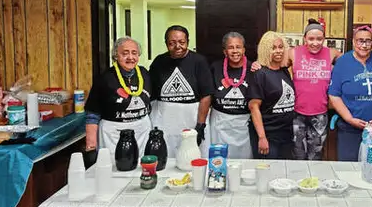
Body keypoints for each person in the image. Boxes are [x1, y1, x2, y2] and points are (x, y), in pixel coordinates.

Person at [252, 19, 341, 160]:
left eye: (319, 39)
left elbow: (351, 62)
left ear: (324, 39)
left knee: (316, 156)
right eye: (311, 39)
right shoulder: (293, 53)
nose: (315, 43)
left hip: (320, 114)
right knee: (297, 155)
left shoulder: (332, 53)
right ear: (304, 38)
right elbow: (273, 63)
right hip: (296, 114)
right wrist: (258, 63)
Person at [329, 25, 372, 161]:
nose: (364, 45)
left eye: (368, 41)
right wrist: (349, 119)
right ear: (354, 42)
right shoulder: (342, 63)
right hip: (349, 128)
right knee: (349, 166)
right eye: (360, 41)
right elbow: (334, 94)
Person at [149, 25, 214, 158]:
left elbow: (206, 95)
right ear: (166, 43)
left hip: (192, 118)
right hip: (165, 121)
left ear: (188, 42)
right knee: (167, 156)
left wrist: (200, 125)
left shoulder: (199, 61)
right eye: (172, 43)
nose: (177, 46)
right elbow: (151, 93)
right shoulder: (159, 61)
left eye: (182, 42)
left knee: (193, 156)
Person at [85, 36, 151, 158]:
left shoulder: (145, 74)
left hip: (141, 132)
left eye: (134, 53)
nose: (130, 57)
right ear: (116, 56)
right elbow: (92, 115)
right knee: (114, 166)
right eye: (125, 53)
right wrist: (91, 147)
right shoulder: (105, 78)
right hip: (113, 134)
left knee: (140, 166)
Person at [247, 31, 295, 159]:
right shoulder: (260, 73)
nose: (278, 51)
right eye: (273, 48)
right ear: (265, 50)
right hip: (268, 135)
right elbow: (254, 107)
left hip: (286, 134)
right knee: (268, 169)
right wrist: (262, 137)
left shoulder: (284, 71)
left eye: (280, 47)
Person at [209, 32, 253, 159]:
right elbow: (208, 96)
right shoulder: (215, 67)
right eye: (230, 47)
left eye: (238, 47)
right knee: (219, 161)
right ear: (225, 51)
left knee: (244, 162)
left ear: (244, 50)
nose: (235, 51)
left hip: (244, 125)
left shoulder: (253, 69)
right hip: (220, 124)